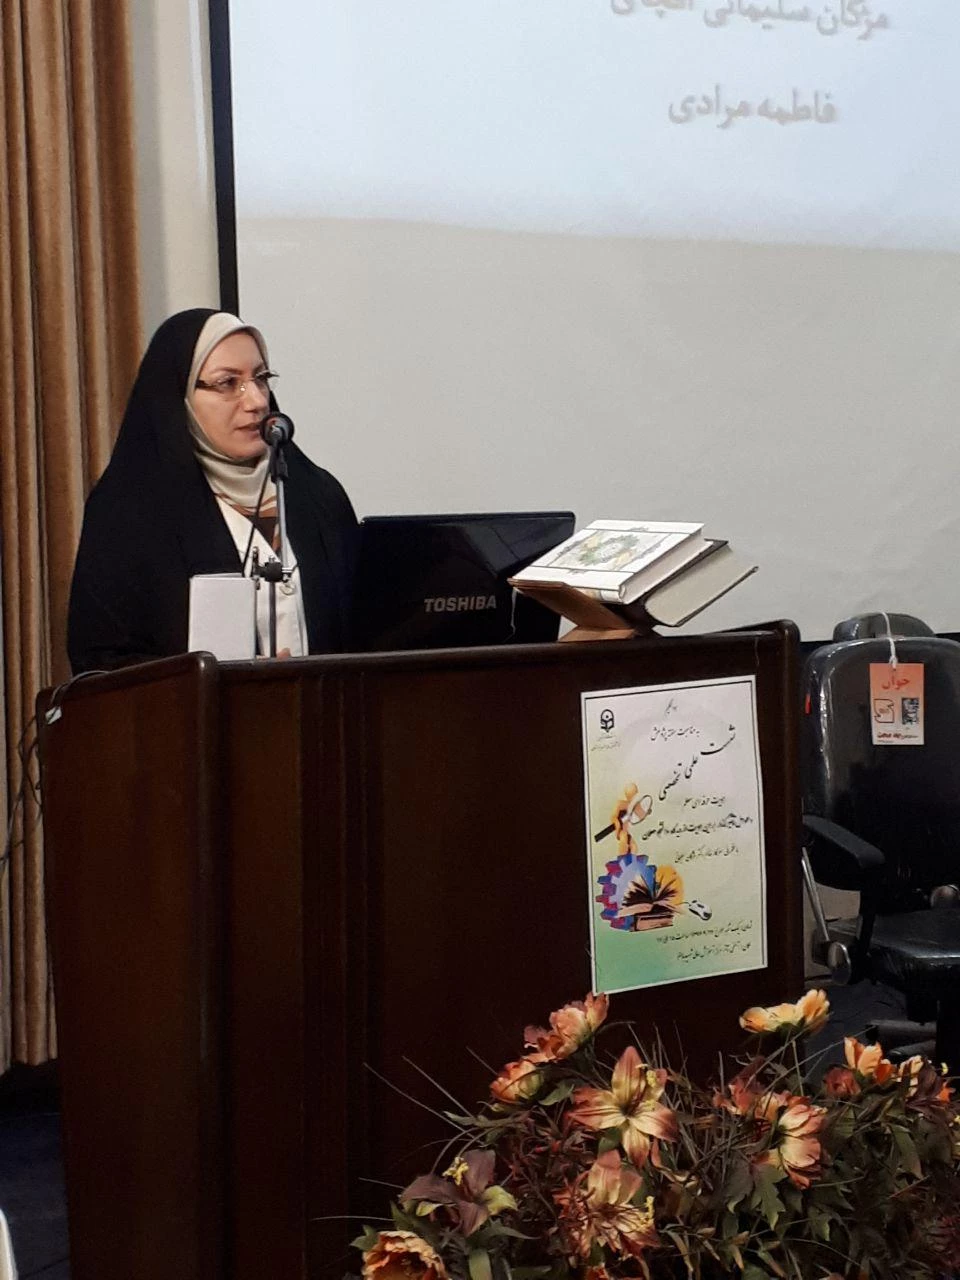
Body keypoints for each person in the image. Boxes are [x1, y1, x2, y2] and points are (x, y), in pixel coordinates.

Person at [67, 308, 358, 672]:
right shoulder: (128, 512)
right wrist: (219, 682)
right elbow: (102, 662)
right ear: (180, 397)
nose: (257, 401)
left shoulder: (318, 496)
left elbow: (364, 634)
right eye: (227, 383)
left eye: (261, 378)